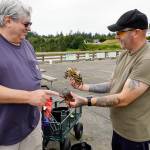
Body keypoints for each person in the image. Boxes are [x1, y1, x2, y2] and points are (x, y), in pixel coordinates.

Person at [66, 9, 150, 150]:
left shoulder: (146, 59)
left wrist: (85, 101)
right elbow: (113, 84)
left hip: (135, 137)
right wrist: (84, 87)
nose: (116, 37)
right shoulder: (125, 54)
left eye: (120, 32)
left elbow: (123, 99)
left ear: (136, 32)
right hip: (118, 129)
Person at [0, 0, 59, 150]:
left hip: (32, 125)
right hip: (5, 135)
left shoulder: (27, 45)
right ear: (8, 21)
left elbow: (31, 77)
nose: (30, 28)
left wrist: (40, 96)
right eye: (26, 24)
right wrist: (28, 96)